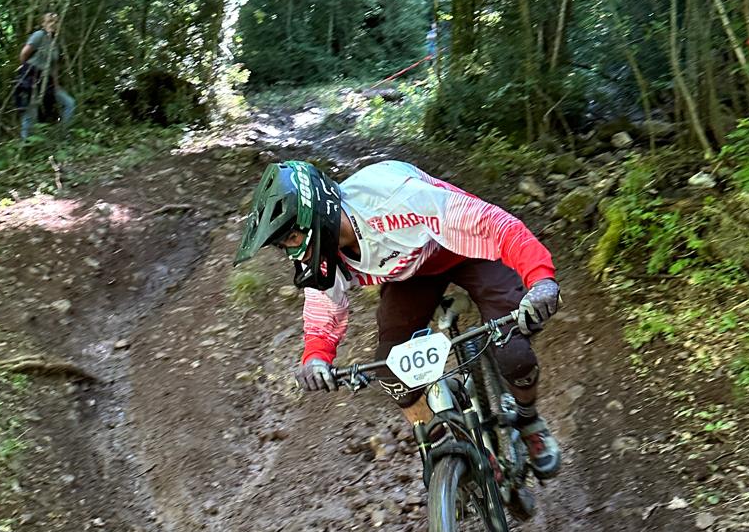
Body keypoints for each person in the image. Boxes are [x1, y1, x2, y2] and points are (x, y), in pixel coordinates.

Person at [233, 159, 562, 478]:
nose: (293, 253)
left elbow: (495, 225)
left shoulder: (396, 200)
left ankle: (528, 419)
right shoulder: (321, 255)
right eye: (283, 245)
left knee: (514, 353)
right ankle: (444, 451)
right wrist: (316, 358)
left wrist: (541, 280)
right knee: (391, 369)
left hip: (468, 250)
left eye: (292, 238)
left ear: (320, 213)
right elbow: (323, 307)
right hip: (411, 274)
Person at [17, 11, 75, 140]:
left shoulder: (55, 43)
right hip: (32, 77)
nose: (53, 24)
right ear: (43, 23)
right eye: (50, 21)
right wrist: (26, 71)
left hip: (48, 81)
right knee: (30, 111)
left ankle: (64, 135)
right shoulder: (39, 35)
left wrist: (56, 85)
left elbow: (53, 67)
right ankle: (25, 144)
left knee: (69, 103)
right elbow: (24, 54)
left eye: (55, 21)